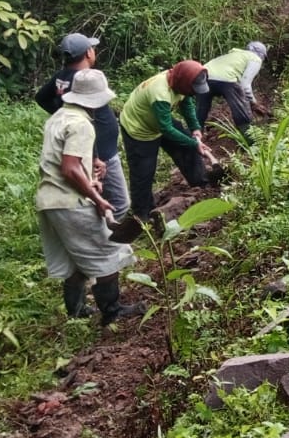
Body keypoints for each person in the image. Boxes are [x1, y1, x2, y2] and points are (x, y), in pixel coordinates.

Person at [36, 69, 146, 325]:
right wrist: (98, 198)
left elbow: (65, 161)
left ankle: (76, 312)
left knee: (77, 257)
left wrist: (92, 167)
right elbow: (70, 168)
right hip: (69, 201)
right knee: (106, 253)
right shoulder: (82, 124)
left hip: (50, 200)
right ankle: (112, 311)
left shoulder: (59, 117)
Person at [35, 33, 129, 223]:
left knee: (94, 193)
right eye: (93, 48)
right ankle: (103, 236)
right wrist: (96, 156)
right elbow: (87, 123)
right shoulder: (86, 83)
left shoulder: (62, 76)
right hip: (98, 154)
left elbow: (41, 97)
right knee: (118, 202)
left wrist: (60, 111)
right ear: (88, 53)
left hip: (92, 150)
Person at [120, 60, 218, 223]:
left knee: (186, 147)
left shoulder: (180, 82)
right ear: (184, 82)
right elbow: (166, 129)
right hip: (139, 129)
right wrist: (194, 143)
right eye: (193, 88)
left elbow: (186, 103)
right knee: (143, 172)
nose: (194, 92)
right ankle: (142, 215)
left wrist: (195, 128)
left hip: (159, 120)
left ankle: (201, 185)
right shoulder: (161, 92)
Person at [199, 42, 269, 139]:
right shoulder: (255, 59)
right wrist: (254, 103)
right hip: (227, 79)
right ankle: (250, 140)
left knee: (201, 109)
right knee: (240, 109)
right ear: (261, 55)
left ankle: (195, 138)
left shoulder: (234, 55)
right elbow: (245, 85)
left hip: (203, 76)